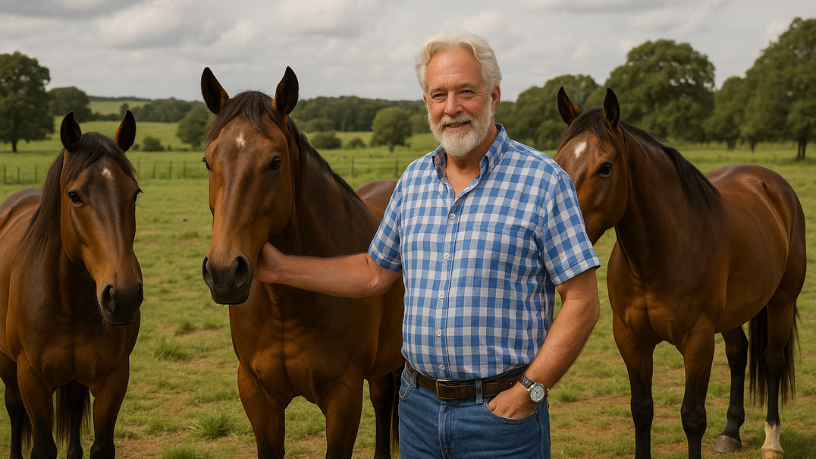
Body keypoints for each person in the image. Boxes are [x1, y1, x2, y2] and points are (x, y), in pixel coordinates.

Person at [256, 30, 601, 459]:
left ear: (494, 96)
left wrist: (528, 392)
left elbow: (583, 301)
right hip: (417, 412)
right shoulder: (414, 180)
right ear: (426, 103)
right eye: (439, 95)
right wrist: (282, 268)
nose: (451, 107)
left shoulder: (544, 181)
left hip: (501, 418)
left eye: (466, 92)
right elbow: (374, 272)